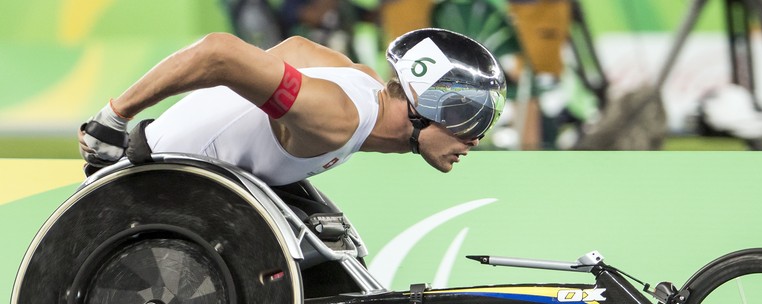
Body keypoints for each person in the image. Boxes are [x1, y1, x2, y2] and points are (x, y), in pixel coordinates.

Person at [78, 28, 506, 186]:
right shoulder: (339, 118)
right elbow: (219, 54)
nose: (474, 140)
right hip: (157, 179)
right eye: (467, 123)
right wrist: (113, 118)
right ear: (421, 108)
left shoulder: (363, 83)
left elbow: (296, 49)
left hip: (201, 179)